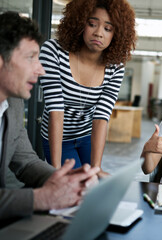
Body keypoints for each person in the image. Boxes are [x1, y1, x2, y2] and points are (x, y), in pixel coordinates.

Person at [0, 11, 99, 221]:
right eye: (30, 58)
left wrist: (66, 181)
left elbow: (26, 161)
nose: (41, 70)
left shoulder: (13, 104)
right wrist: (40, 198)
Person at [39, 0, 136, 178]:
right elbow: (56, 111)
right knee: (71, 185)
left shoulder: (115, 66)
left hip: (86, 136)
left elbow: (101, 116)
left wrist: (97, 167)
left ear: (117, 34)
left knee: (92, 183)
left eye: (108, 28)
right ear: (79, 23)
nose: (98, 33)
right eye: (92, 24)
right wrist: (55, 169)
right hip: (58, 137)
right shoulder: (53, 51)